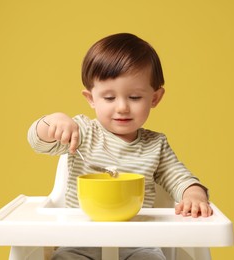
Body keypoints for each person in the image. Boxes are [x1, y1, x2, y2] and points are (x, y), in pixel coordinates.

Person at [28, 33, 212, 260]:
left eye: (134, 97)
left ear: (155, 98)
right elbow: (38, 142)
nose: (122, 107)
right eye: (109, 98)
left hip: (138, 243)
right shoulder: (81, 132)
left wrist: (194, 195)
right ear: (91, 98)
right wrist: (51, 122)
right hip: (79, 241)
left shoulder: (156, 145)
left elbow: (179, 177)